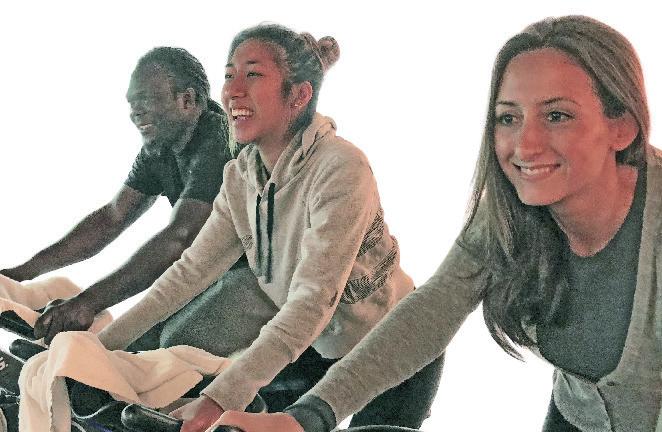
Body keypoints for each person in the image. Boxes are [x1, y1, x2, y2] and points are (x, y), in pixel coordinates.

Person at [213, 15, 661, 432]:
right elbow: (432, 311)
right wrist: (305, 418)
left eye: (557, 116)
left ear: (622, 126)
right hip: (578, 413)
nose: (525, 145)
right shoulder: (508, 211)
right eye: (508, 118)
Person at [94, 23, 443, 432]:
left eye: (253, 74)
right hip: (315, 351)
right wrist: (99, 351)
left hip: (395, 346)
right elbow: (189, 273)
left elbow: (312, 301)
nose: (233, 91)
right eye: (229, 75)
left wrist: (217, 401)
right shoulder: (240, 178)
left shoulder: (341, 169)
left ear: (299, 95)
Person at [0, 47, 260, 353]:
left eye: (145, 100)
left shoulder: (219, 138)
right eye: (132, 103)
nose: (135, 112)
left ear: (187, 100)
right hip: (213, 275)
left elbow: (182, 237)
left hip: (263, 278)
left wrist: (87, 302)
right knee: (130, 343)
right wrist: (19, 274)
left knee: (163, 342)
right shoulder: (161, 146)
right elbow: (112, 217)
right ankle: (61, 365)